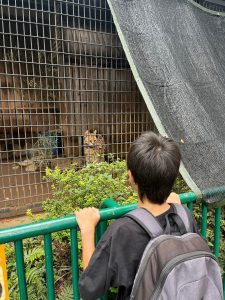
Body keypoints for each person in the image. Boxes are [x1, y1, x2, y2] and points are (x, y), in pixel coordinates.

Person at [75, 131, 198, 300]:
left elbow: (89, 288)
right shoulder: (185, 217)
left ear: (131, 177)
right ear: (174, 177)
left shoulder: (124, 231)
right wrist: (177, 206)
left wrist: (87, 230)